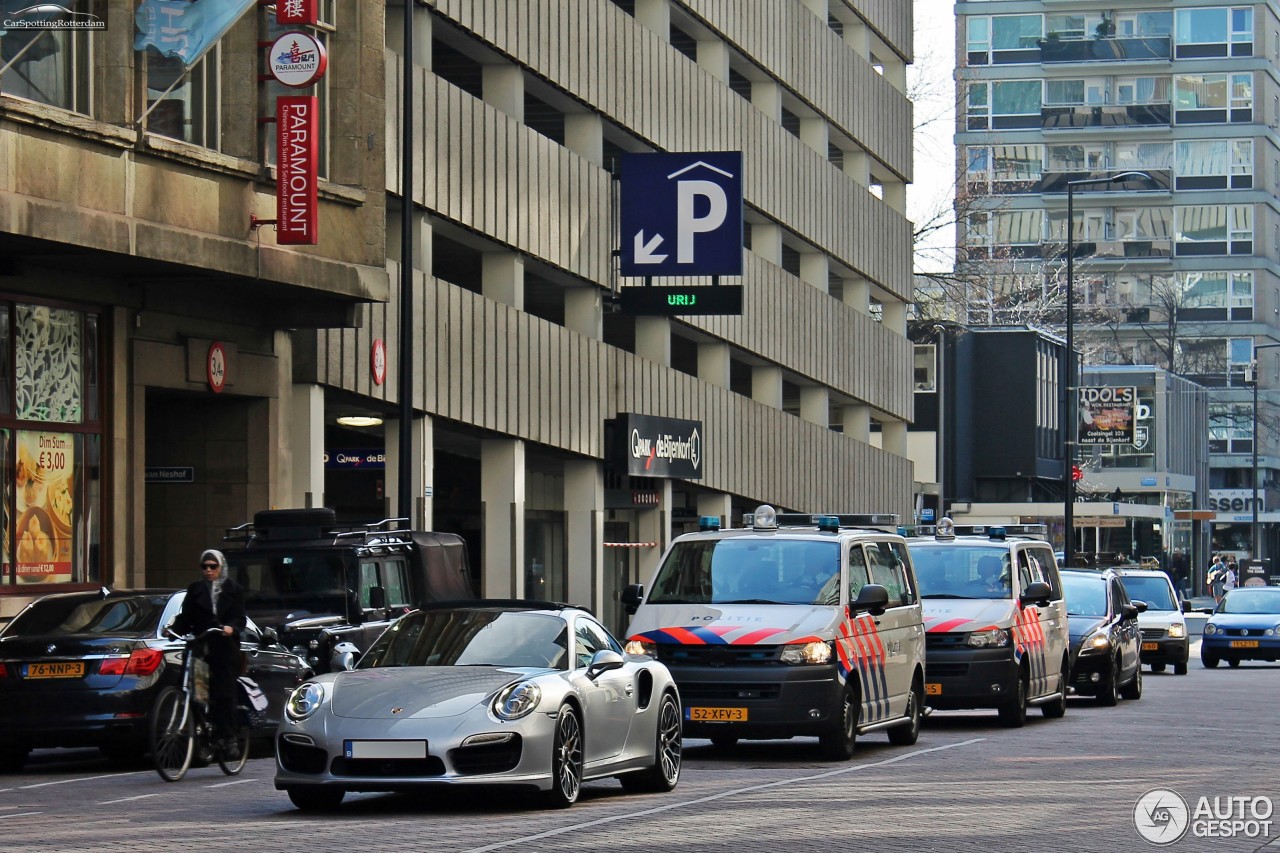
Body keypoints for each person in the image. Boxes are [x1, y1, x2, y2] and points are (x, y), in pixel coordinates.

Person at [171, 549, 246, 755]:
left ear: (221, 567)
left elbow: (240, 617)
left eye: (213, 566)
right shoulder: (195, 589)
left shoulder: (234, 589)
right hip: (201, 646)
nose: (208, 570)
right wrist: (173, 630)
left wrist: (231, 627)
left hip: (224, 648)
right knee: (198, 693)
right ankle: (201, 735)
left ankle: (228, 737)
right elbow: (186, 618)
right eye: (204, 567)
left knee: (224, 692)